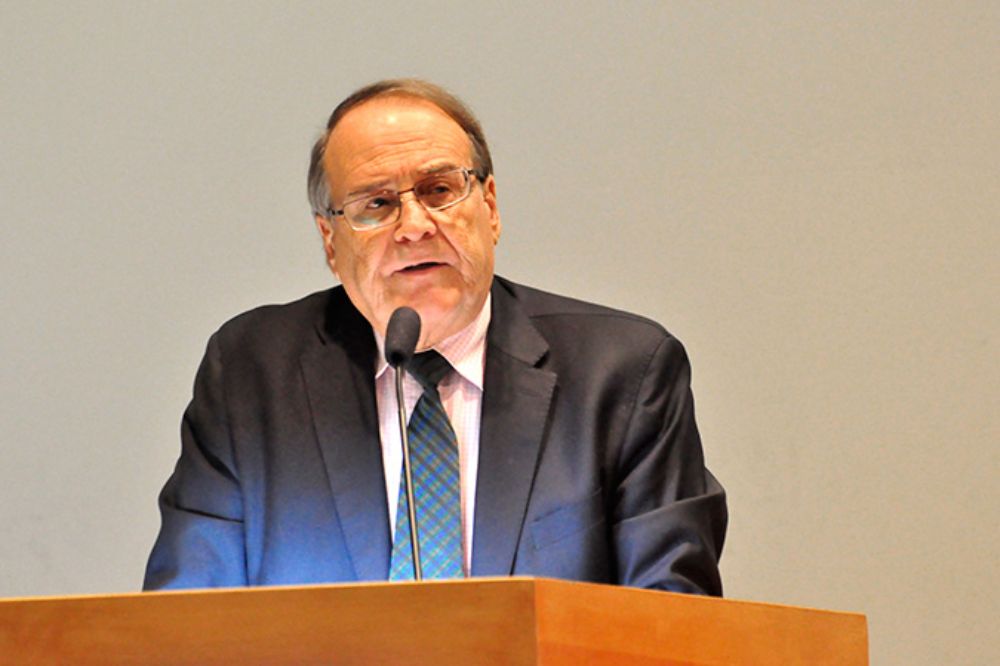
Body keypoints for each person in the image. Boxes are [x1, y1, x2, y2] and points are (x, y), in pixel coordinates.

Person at [143, 79, 727, 595]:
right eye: (376, 204)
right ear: (330, 241)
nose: (416, 227)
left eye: (439, 191)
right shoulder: (252, 374)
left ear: (490, 207)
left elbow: (668, 620)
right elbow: (189, 620)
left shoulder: (623, 372)